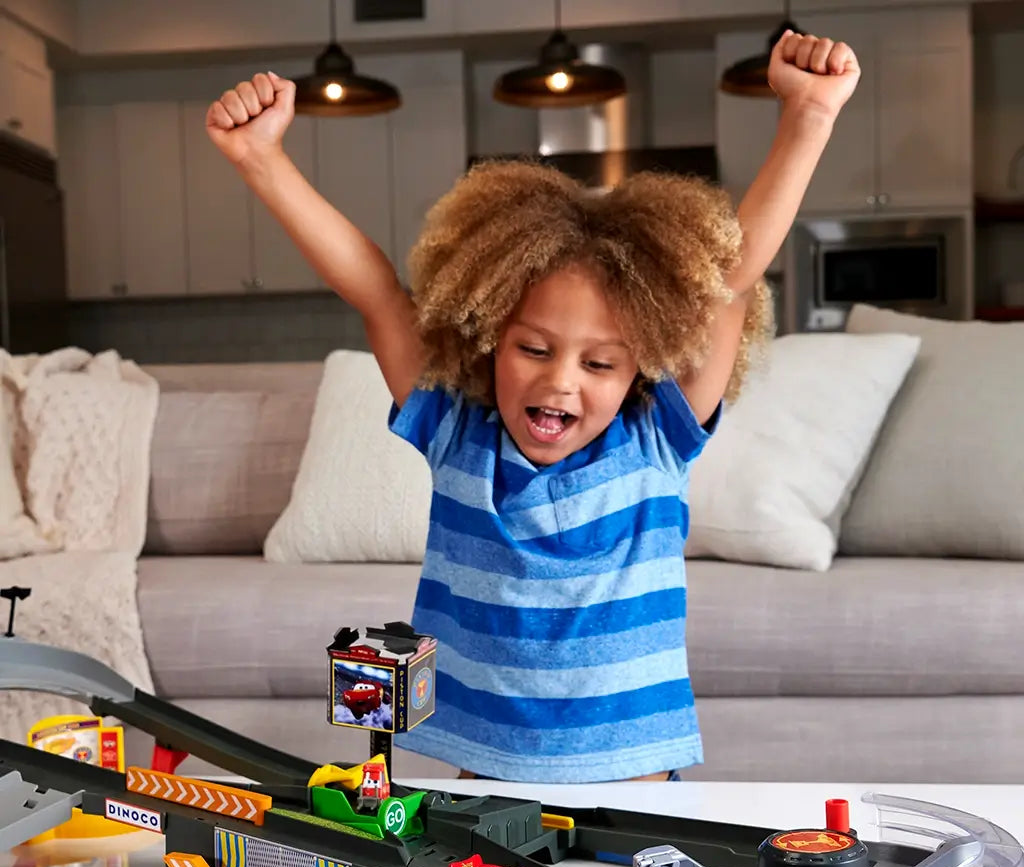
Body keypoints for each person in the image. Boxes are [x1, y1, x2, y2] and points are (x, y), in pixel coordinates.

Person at [206, 29, 860, 783]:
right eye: (534, 348)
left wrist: (808, 115)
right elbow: (376, 290)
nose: (560, 382)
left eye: (600, 362)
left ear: (644, 362)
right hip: (485, 771)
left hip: (632, 774)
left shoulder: (656, 440)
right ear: (488, 336)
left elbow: (731, 283)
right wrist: (261, 159)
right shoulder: (456, 432)